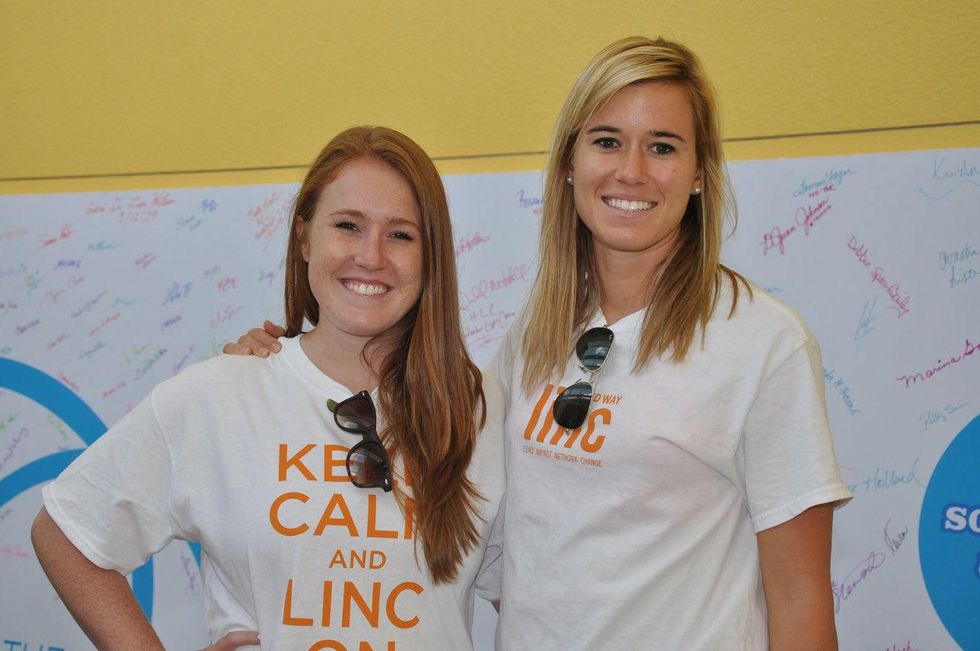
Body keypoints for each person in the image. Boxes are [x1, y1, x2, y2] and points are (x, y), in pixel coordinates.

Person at [228, 37, 852, 650]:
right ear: (569, 163)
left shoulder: (763, 342)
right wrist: (288, 378)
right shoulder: (539, 331)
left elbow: (800, 600)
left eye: (662, 147)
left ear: (699, 174)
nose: (630, 170)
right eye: (606, 141)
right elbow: (446, 482)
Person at [31, 126, 504, 650]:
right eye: (347, 225)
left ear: (430, 255)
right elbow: (67, 532)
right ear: (304, 238)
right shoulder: (221, 394)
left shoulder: (479, 410)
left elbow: (537, 593)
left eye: (401, 234)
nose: (371, 256)